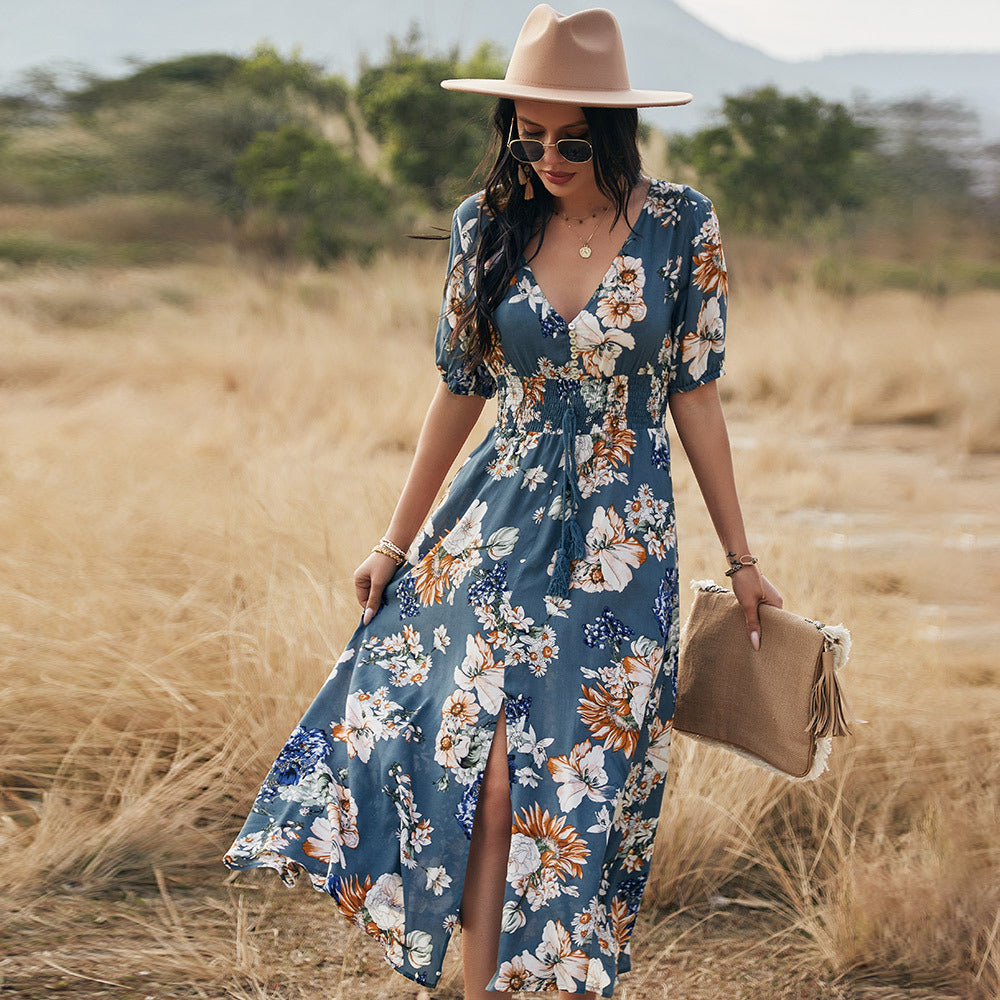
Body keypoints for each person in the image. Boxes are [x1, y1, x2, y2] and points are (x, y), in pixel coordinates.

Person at [222, 5, 783, 999]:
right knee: (479, 777)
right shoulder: (487, 224)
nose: (547, 157)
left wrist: (740, 559)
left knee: (565, 790)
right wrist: (394, 541)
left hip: (623, 542)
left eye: (570, 139)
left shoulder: (680, 225)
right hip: (496, 524)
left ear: (613, 131)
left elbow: (694, 392)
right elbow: (458, 387)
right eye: (527, 137)